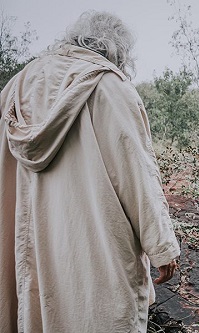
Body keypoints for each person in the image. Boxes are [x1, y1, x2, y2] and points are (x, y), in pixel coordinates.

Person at [0, 11, 180, 332]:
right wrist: (162, 248)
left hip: (26, 246)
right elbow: (136, 175)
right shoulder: (109, 87)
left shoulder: (16, 88)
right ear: (119, 51)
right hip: (92, 251)